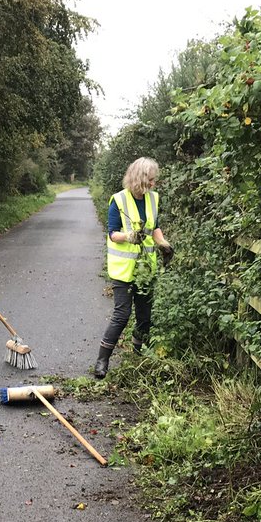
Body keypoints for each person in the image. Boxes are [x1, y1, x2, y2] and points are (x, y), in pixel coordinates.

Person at [93, 157, 173, 379]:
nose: (153, 184)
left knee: (145, 316)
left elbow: (154, 227)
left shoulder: (153, 199)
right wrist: (128, 236)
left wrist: (163, 243)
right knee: (122, 314)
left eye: (154, 180)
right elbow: (112, 233)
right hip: (123, 269)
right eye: (150, 180)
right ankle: (102, 361)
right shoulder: (118, 201)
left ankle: (137, 357)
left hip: (145, 269)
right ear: (139, 179)